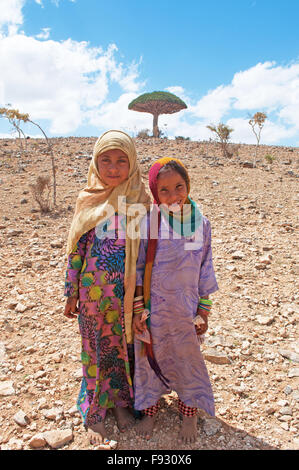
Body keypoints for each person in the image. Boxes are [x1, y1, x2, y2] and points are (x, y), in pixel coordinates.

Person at [64, 130, 151, 447]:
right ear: (95, 163)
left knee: (124, 350)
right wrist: (70, 291)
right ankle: (96, 410)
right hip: (90, 297)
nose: (113, 168)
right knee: (95, 350)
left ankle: (122, 405)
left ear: (133, 164)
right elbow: (76, 251)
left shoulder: (139, 201)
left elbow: (146, 255)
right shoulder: (88, 199)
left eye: (121, 161)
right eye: (106, 160)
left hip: (126, 298)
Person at [132, 157, 219, 444]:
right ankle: (151, 411)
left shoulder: (200, 223)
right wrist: (138, 309)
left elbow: (204, 265)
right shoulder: (150, 222)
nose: (173, 196)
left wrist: (203, 310)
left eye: (178, 187)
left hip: (185, 311)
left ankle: (189, 413)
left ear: (188, 185)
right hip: (154, 311)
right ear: (155, 193)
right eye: (164, 190)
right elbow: (139, 267)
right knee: (149, 359)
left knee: (187, 360)